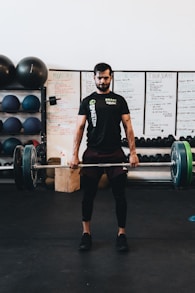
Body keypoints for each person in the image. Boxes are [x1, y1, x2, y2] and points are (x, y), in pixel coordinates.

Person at [70, 63, 139, 252]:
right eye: (99, 77)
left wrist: (132, 153)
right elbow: (79, 128)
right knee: (88, 196)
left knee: (120, 196)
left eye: (106, 78)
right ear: (94, 78)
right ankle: (86, 234)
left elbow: (128, 127)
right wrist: (74, 154)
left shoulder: (119, 100)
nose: (102, 81)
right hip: (93, 153)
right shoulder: (87, 101)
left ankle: (122, 234)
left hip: (115, 152)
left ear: (111, 77)